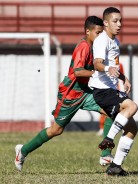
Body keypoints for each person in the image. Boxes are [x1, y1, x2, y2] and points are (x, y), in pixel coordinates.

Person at [14, 16, 113, 171]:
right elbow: (78, 72)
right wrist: (95, 73)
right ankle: (23, 151)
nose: (100, 36)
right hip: (70, 94)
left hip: (84, 92)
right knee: (56, 130)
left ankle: (106, 154)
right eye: (98, 33)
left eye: (102, 33)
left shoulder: (95, 46)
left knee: (109, 111)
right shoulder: (84, 47)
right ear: (88, 31)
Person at [89, 7, 138, 176]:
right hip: (102, 90)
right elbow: (97, 64)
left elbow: (113, 68)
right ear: (106, 23)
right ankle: (108, 138)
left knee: (132, 129)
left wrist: (124, 79)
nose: (119, 24)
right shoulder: (102, 40)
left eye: (120, 21)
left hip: (110, 89)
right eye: (115, 21)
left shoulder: (115, 42)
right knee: (132, 106)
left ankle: (115, 166)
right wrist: (108, 68)